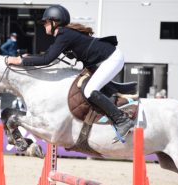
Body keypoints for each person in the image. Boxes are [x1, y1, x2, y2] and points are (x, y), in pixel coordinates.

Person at [7, 5, 134, 139]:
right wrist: (29, 57)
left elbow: (47, 59)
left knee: (89, 91)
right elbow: (48, 55)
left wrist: (19, 61)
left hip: (111, 59)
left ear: (54, 22)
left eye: (45, 22)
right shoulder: (64, 34)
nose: (43, 25)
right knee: (87, 87)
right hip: (103, 61)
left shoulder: (64, 34)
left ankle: (122, 120)